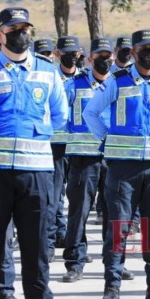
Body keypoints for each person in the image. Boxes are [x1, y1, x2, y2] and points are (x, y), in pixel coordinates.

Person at [0, 7, 68, 299]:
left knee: (37, 252)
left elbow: (60, 115)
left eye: (25, 29)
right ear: (0, 34)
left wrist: (38, 132)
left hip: (35, 174)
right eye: (14, 29)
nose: (21, 34)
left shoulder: (48, 72)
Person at [83, 29, 150, 299]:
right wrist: (106, 139)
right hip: (123, 169)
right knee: (118, 228)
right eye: (144, 49)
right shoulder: (118, 81)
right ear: (134, 52)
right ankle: (112, 285)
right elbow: (90, 113)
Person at [61, 37, 114, 282]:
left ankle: (114, 262)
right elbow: (61, 117)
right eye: (99, 56)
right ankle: (75, 262)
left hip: (113, 157)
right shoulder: (74, 85)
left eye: (108, 56)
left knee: (115, 213)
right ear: (90, 59)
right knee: (78, 212)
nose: (104, 60)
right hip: (82, 159)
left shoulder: (120, 84)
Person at [49, 36, 82, 259]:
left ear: (79, 54)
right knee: (54, 195)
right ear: (58, 54)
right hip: (56, 145)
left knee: (77, 197)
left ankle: (71, 238)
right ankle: (53, 239)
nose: (70, 56)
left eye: (74, 53)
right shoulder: (51, 77)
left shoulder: (85, 78)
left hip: (79, 146)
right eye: (66, 52)